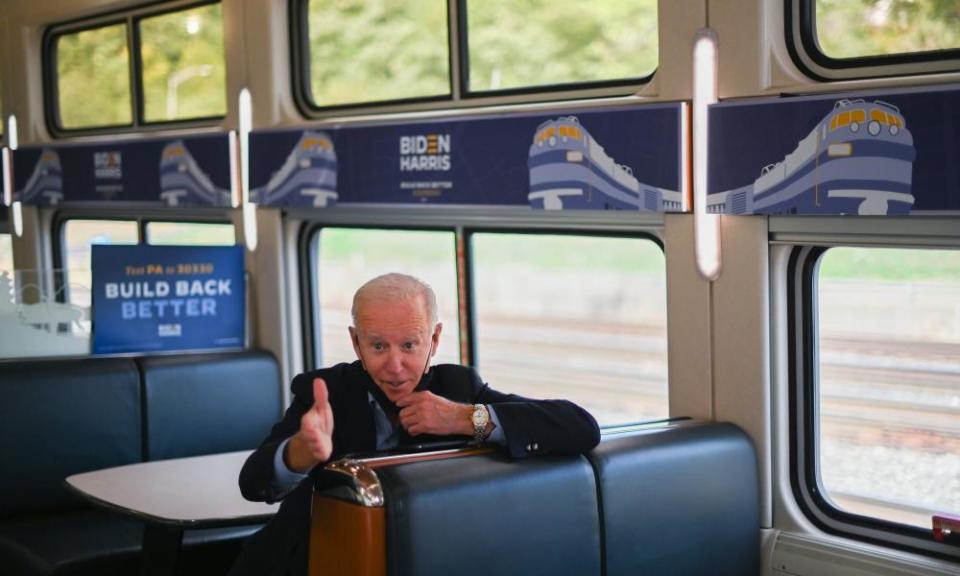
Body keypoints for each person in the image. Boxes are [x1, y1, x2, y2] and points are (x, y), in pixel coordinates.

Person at [229, 273, 600, 576]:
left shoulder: (458, 388)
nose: (394, 365)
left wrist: (464, 418)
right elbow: (253, 482)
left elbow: (579, 427)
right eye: (378, 347)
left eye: (409, 345)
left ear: (434, 339)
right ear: (356, 343)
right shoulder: (324, 392)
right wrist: (299, 453)